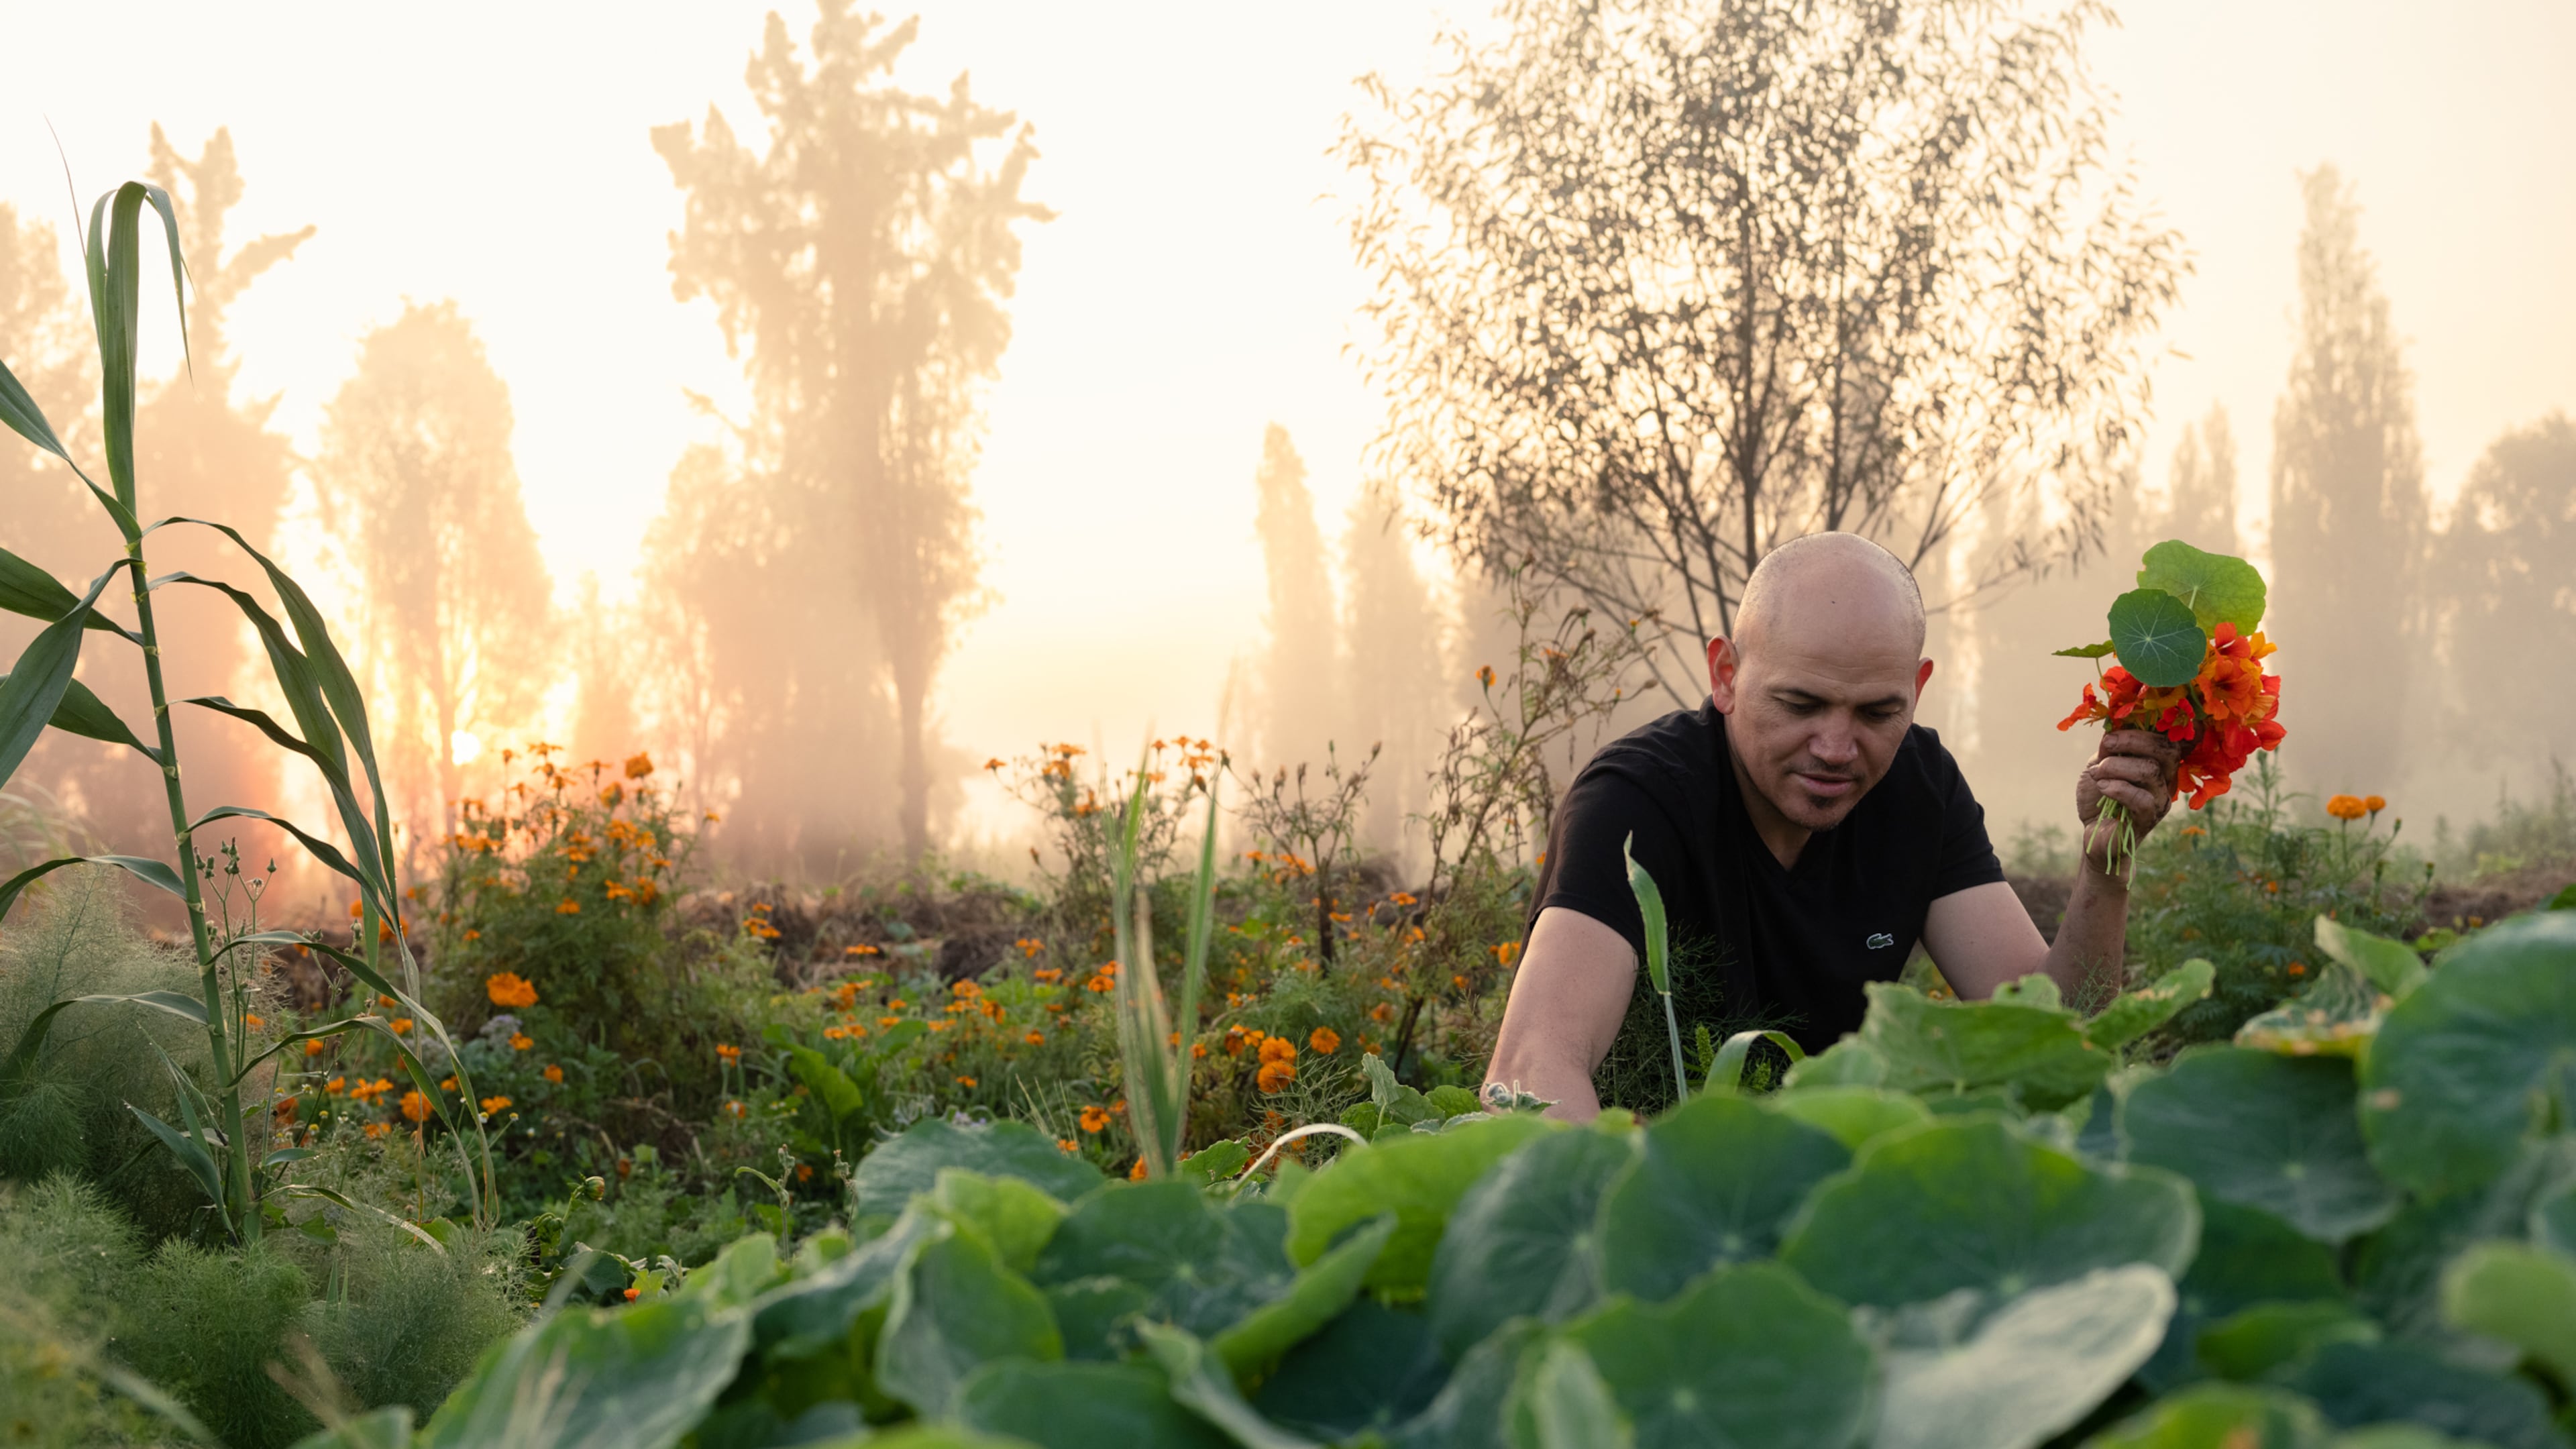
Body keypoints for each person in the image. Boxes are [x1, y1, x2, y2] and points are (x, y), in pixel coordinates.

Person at [1483, 532, 2181, 1120]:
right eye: (1801, 704)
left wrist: (2105, 869)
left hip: (1837, 1190)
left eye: (1878, 713)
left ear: (1918, 688)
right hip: (1656, 1182)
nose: (1837, 749)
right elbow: (1532, 1066)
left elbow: (2056, 1038)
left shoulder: (1919, 787)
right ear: (1725, 675)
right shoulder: (1635, 804)